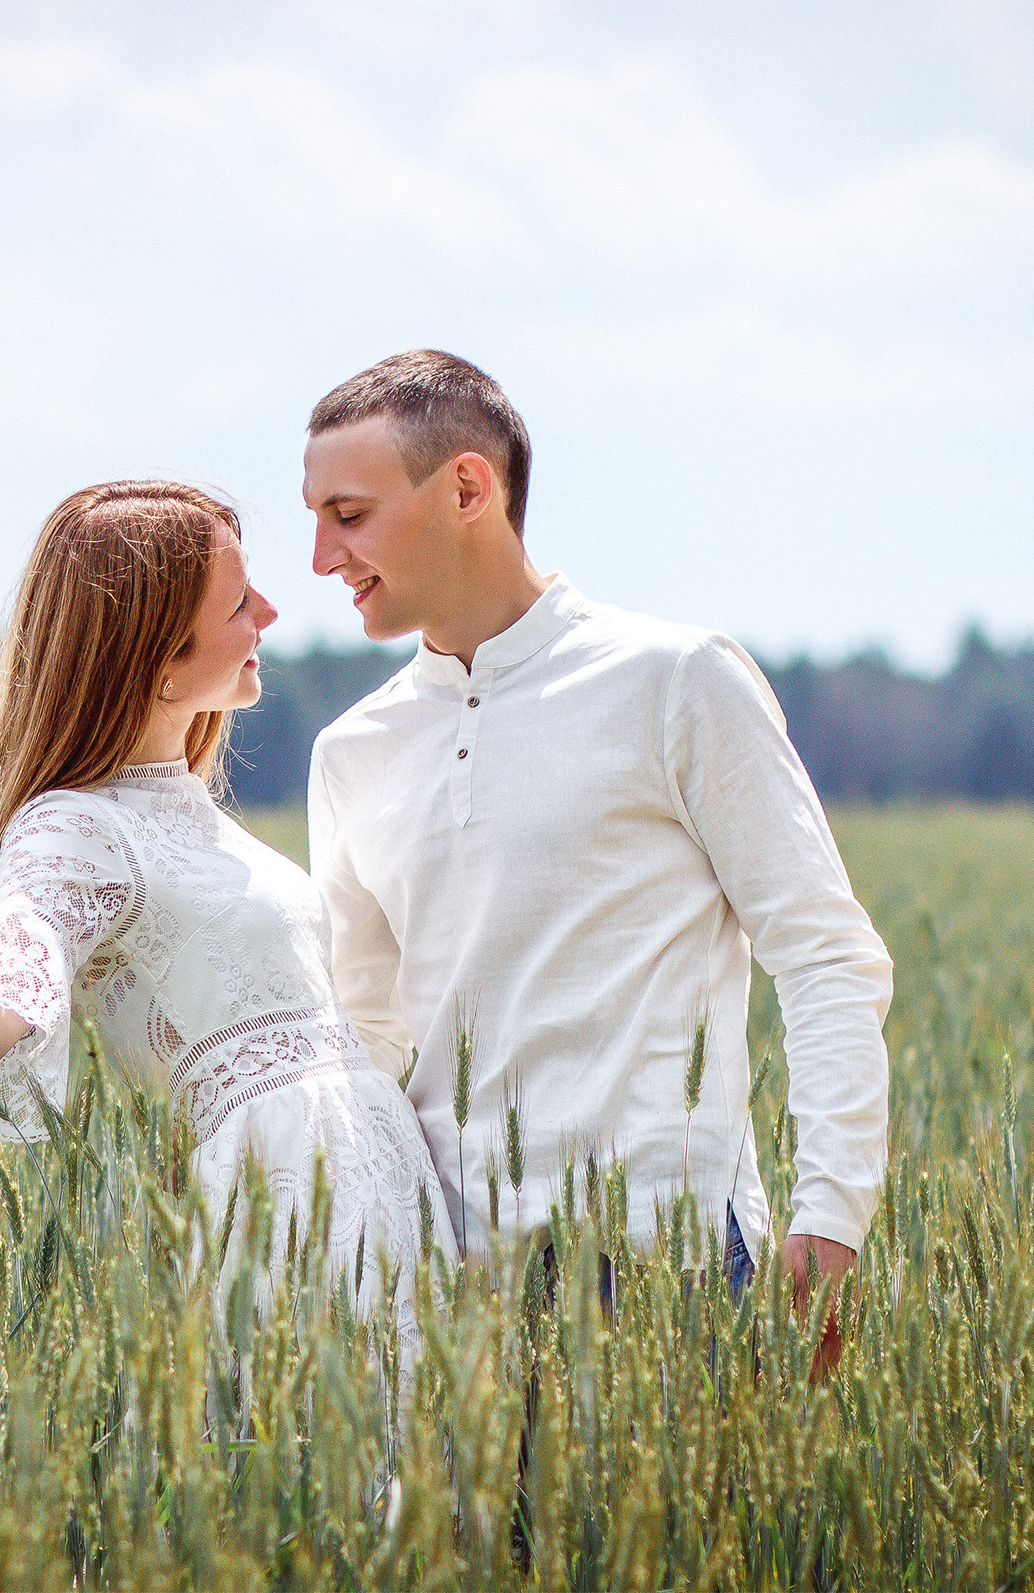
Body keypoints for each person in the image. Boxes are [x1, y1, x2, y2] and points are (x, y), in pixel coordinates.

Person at [301, 350, 892, 1370]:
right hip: (460, 1299)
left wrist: (832, 1209)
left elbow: (823, 949)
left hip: (679, 1272)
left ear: (469, 488)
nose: (320, 556)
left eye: (348, 515)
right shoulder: (352, 752)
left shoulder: (676, 679)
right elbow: (361, 1046)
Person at [0, 479, 456, 1345]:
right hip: (282, 1212)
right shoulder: (79, 826)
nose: (272, 614)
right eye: (240, 601)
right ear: (157, 657)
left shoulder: (195, 819)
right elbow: (10, 953)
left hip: (379, 1193)